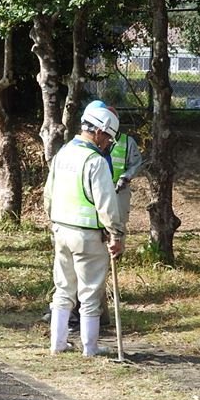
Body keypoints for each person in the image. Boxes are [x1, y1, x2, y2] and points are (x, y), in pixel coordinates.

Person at [44, 103, 125, 356]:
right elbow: (107, 205)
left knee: (63, 288)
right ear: (99, 131)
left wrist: (54, 222)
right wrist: (117, 234)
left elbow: (48, 195)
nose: (108, 143)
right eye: (109, 137)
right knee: (90, 292)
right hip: (88, 236)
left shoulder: (63, 154)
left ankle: (57, 344)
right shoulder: (95, 161)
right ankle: (90, 349)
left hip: (61, 231)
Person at [106, 106, 143, 228]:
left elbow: (136, 163)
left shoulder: (128, 141)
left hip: (119, 189)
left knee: (119, 225)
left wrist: (125, 177)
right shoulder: (94, 141)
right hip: (99, 188)